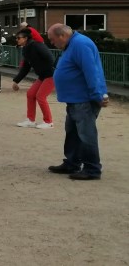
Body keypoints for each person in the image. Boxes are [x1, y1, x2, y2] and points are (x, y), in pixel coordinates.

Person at [46, 24, 109, 180]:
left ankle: (92, 169)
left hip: (84, 99)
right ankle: (72, 163)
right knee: (73, 133)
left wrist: (96, 95)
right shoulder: (72, 44)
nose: (52, 44)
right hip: (75, 99)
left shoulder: (80, 44)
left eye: (52, 40)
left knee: (86, 135)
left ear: (62, 36)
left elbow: (91, 71)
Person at [11, 28, 55, 129]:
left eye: (18, 38)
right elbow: (26, 67)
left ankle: (48, 122)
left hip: (51, 75)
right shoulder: (26, 49)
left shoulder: (37, 45)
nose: (16, 40)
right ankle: (31, 120)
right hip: (43, 76)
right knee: (30, 94)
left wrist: (51, 70)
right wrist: (16, 81)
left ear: (26, 38)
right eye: (16, 38)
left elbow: (50, 57)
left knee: (41, 96)